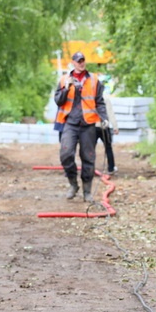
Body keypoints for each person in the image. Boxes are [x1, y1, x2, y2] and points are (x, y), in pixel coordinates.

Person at [53, 51, 108, 202]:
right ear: (73, 63)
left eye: (83, 60)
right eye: (78, 61)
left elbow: (99, 102)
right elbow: (58, 101)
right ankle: (73, 184)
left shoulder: (94, 80)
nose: (81, 63)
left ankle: (87, 191)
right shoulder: (64, 79)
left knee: (88, 158)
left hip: (87, 124)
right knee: (66, 154)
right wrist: (66, 88)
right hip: (69, 123)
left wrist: (104, 118)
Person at [96, 83, 118, 174]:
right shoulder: (106, 99)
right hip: (104, 127)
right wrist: (115, 126)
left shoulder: (90, 99)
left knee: (90, 149)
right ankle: (111, 168)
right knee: (108, 148)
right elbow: (110, 113)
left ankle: (89, 168)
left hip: (93, 127)